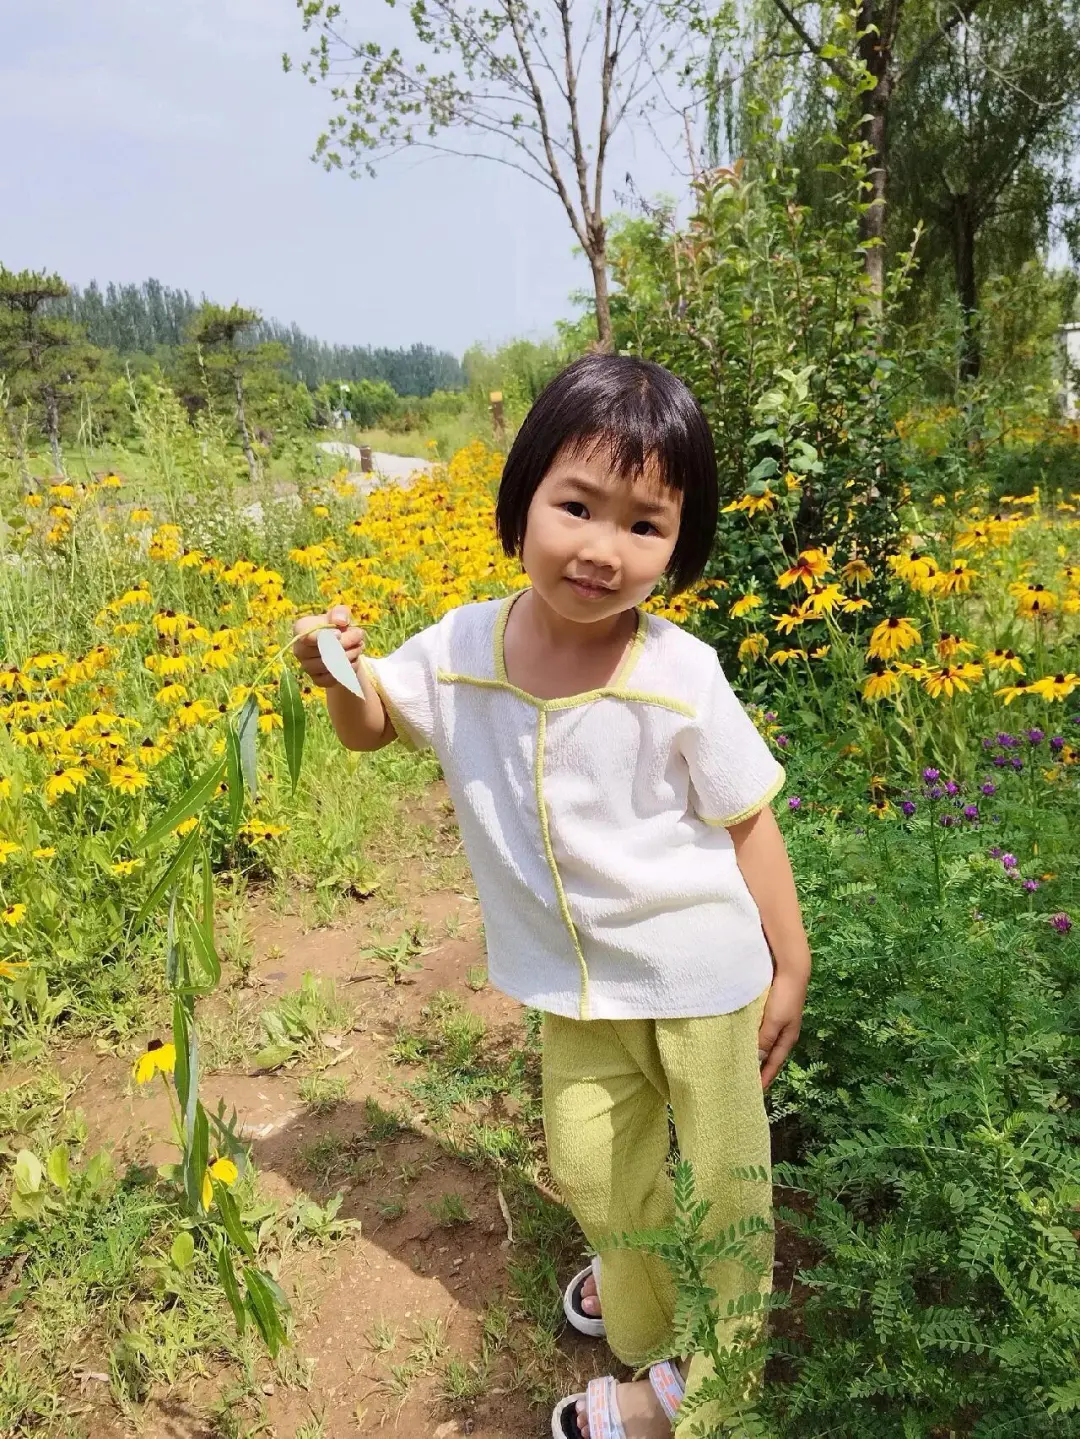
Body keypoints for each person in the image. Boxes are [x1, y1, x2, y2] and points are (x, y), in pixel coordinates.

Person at [292, 353, 812, 1439]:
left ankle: (708, 1387)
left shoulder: (680, 672)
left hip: (700, 974)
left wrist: (789, 959)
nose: (600, 547)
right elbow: (374, 720)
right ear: (521, 497)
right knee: (588, 1161)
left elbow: (746, 815)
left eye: (644, 525)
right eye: (576, 505)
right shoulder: (463, 646)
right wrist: (335, 668)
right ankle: (646, 1300)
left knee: (725, 1182)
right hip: (570, 983)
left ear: (680, 545)